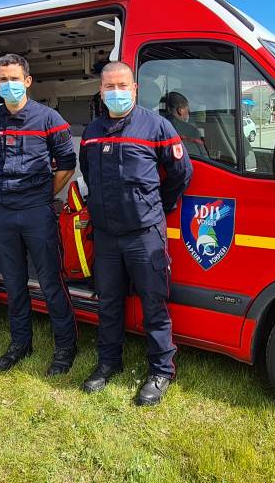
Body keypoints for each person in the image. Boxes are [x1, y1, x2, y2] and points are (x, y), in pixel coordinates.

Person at [80, 61, 192, 406]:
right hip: (106, 235)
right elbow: (88, 172)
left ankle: (161, 371)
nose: (116, 92)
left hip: (144, 233)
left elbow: (180, 172)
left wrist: (159, 204)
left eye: (122, 86)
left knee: (153, 303)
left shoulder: (156, 126)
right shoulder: (92, 131)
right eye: (109, 87)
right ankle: (108, 363)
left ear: (134, 89)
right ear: (101, 92)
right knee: (109, 302)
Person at [0, 54, 78, 376]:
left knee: (50, 282)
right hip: (4, 213)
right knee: (13, 282)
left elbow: (67, 164)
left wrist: (44, 194)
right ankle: (21, 343)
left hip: (37, 211)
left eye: (14, 78)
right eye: (2, 79)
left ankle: (65, 348)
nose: (9, 84)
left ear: (27, 81)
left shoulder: (49, 119)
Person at [165, 91, 207, 158]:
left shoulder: (159, 126)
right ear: (180, 110)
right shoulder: (191, 131)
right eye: (187, 109)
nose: (189, 112)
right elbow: (204, 158)